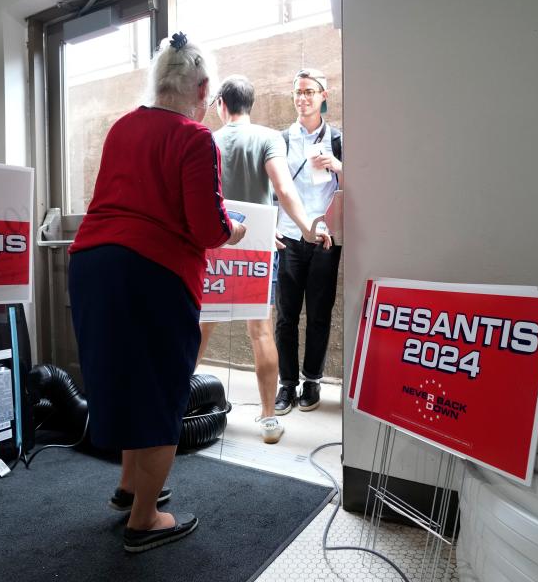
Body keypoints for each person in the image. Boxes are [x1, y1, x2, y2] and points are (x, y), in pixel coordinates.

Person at [68, 32, 245, 553]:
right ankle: (144, 519)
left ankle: (128, 488)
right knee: (164, 387)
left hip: (91, 262)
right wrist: (235, 227)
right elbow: (207, 227)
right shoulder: (195, 138)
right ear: (204, 88)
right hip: (152, 271)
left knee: (123, 378)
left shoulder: (123, 126)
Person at [195, 75, 328, 444]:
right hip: (256, 245)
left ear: (221, 104)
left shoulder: (208, 140)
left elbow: (204, 196)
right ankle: (269, 420)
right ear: (249, 104)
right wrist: (306, 228)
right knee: (261, 332)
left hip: (216, 245)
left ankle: (176, 408)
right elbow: (284, 189)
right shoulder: (269, 138)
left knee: (201, 331)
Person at [274, 68, 343, 415]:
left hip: (326, 239)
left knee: (319, 313)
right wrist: (271, 226)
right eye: (298, 92)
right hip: (288, 236)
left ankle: (311, 379)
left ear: (323, 96)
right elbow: (272, 188)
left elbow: (361, 183)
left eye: (309, 92)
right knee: (286, 315)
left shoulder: (338, 139)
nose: (302, 98)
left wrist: (338, 164)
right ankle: (287, 384)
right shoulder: (282, 139)